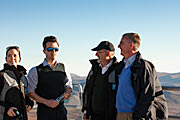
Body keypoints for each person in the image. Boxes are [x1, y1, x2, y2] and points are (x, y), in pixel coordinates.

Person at [115, 33, 168, 120]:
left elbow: (147, 95)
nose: (118, 46)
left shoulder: (143, 66)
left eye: (121, 43)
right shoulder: (122, 66)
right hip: (120, 114)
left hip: (133, 115)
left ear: (131, 45)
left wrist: (138, 116)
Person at [27, 35, 72, 120]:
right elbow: (30, 92)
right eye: (50, 49)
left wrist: (68, 92)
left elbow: (68, 85)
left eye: (56, 49)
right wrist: (47, 102)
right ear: (44, 51)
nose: (53, 52)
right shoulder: (35, 71)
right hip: (44, 113)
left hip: (61, 112)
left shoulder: (64, 67)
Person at [82, 41, 118, 120]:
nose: (96, 55)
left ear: (108, 54)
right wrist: (86, 111)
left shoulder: (118, 71)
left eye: (99, 52)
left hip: (111, 117)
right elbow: (88, 90)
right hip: (94, 116)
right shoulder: (94, 69)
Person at [0, 46, 34, 120]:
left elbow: (26, 96)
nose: (12, 58)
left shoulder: (24, 78)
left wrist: (30, 104)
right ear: (6, 59)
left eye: (15, 55)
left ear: (20, 58)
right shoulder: (2, 75)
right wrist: (7, 109)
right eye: (9, 56)